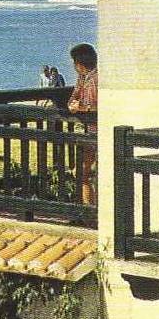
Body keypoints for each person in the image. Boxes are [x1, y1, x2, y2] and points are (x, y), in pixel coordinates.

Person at [66, 43, 98, 206]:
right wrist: (72, 104)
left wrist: (82, 107)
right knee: (82, 171)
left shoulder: (96, 79)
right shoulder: (83, 78)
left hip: (99, 132)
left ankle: (92, 211)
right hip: (91, 133)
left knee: (88, 172)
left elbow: (102, 106)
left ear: (79, 63)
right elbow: (74, 97)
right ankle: (89, 210)